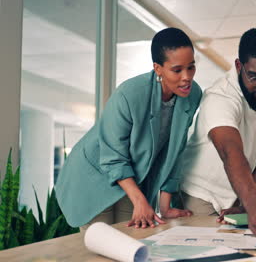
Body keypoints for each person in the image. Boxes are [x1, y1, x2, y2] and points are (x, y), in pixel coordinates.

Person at [56, 27, 202, 229]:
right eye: (177, 70)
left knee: (133, 239)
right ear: (158, 68)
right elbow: (112, 156)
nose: (186, 76)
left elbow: (175, 151)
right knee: (102, 246)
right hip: (96, 174)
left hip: (132, 177)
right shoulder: (129, 94)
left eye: (191, 67)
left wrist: (165, 206)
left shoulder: (193, 95)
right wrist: (140, 200)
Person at [179, 28, 256, 244]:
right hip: (201, 196)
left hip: (238, 194)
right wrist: (254, 202)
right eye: (255, 77)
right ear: (239, 67)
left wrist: (247, 201)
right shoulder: (220, 97)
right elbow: (230, 151)